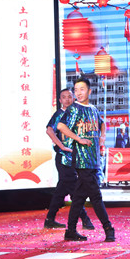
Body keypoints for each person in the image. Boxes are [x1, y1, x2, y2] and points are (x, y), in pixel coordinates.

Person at [57, 77, 115, 242]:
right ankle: (108, 228)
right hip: (82, 160)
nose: (78, 93)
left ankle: (70, 230)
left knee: (79, 197)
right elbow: (61, 126)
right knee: (95, 195)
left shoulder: (94, 109)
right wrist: (78, 139)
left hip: (94, 159)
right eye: (76, 90)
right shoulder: (74, 109)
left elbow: (102, 124)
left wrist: (102, 136)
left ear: (89, 91)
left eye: (81, 89)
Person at [44, 88, 94, 230]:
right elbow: (49, 130)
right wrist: (61, 146)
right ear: (60, 100)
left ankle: (50, 219)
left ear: (74, 98)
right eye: (64, 97)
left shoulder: (77, 114)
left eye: (69, 97)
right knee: (74, 188)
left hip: (75, 157)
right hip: (64, 158)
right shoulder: (59, 114)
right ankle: (85, 219)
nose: (67, 99)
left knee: (61, 190)